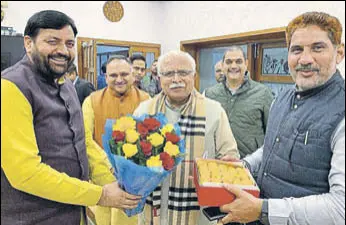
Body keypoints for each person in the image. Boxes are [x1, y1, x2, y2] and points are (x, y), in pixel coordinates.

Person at [1, 10, 141, 225]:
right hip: (31, 217)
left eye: (69, 43)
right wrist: (100, 195)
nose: (62, 51)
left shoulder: (65, 84)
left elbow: (82, 142)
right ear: (28, 43)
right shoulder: (11, 87)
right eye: (52, 41)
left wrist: (117, 183)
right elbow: (25, 173)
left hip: (74, 214)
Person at [219, 11, 345, 225]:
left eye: (318, 47)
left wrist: (263, 210)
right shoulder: (282, 97)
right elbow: (270, 148)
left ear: (339, 53)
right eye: (297, 50)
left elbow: (340, 207)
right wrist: (244, 165)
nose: (305, 59)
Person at [133, 50, 240, 225]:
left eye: (183, 73)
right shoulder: (144, 111)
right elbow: (132, 158)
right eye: (168, 74)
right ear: (159, 78)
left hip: (198, 212)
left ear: (194, 76)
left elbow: (229, 156)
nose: (176, 79)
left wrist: (224, 168)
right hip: (154, 209)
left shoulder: (214, 110)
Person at [82, 55, 150, 225]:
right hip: (102, 177)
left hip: (134, 179)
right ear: (106, 77)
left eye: (124, 74)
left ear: (133, 75)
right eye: (113, 75)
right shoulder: (91, 101)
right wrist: (108, 163)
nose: (119, 79)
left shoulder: (146, 100)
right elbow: (85, 138)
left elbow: (151, 139)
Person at [205, 46, 274, 158]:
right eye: (229, 62)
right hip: (217, 165)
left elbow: (272, 133)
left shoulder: (263, 93)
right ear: (222, 66)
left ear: (246, 64)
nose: (233, 66)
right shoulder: (210, 94)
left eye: (238, 61)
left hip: (250, 167)